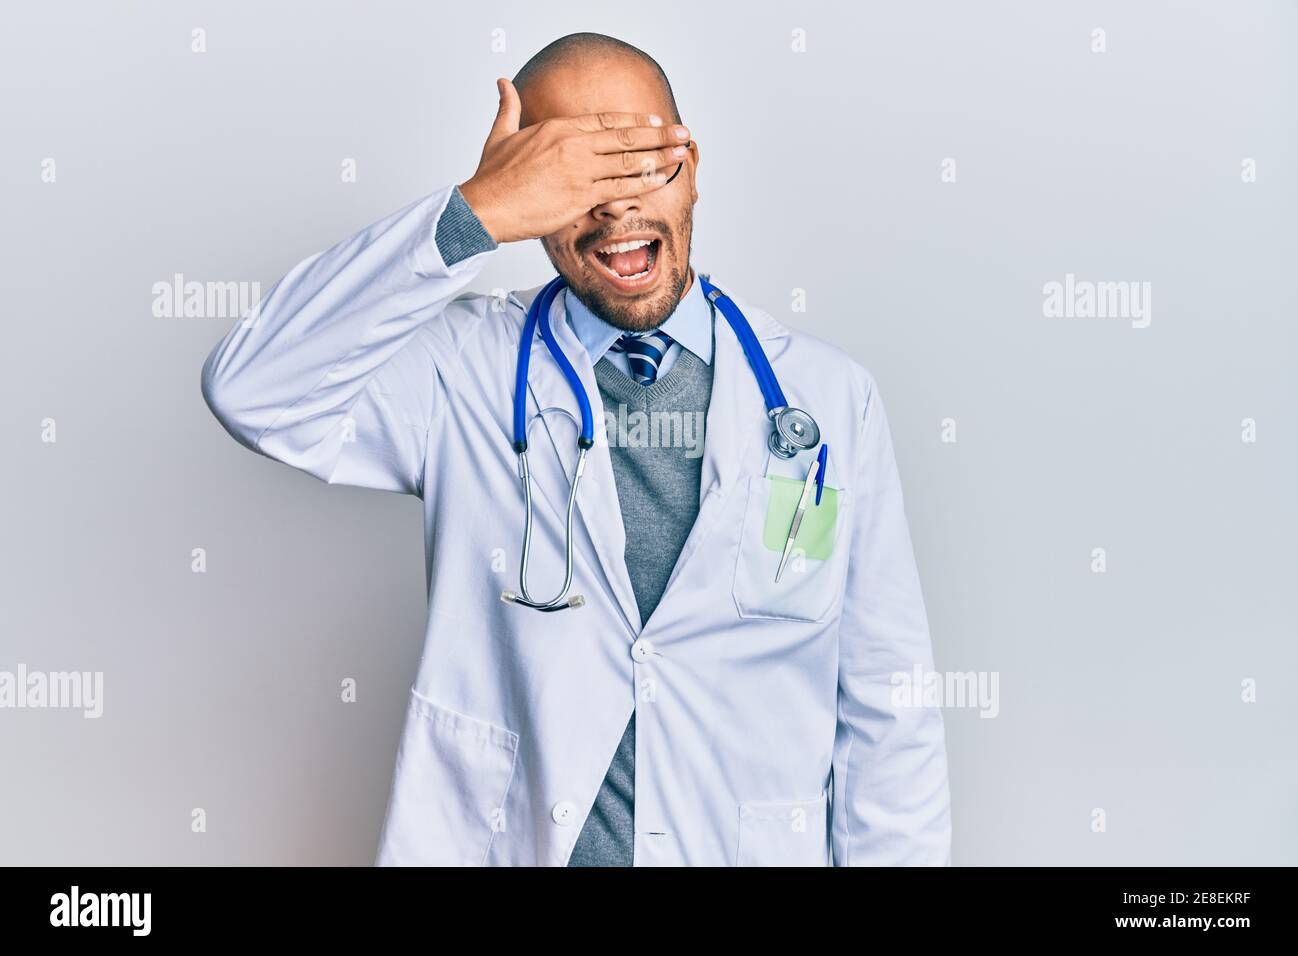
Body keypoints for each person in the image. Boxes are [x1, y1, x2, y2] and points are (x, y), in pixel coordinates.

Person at [201, 32, 950, 866]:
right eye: (574, 176)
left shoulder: (829, 400)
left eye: (640, 162)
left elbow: (889, 706)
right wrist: (474, 213)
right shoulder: (464, 372)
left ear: (692, 167)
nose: (616, 206)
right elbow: (253, 389)